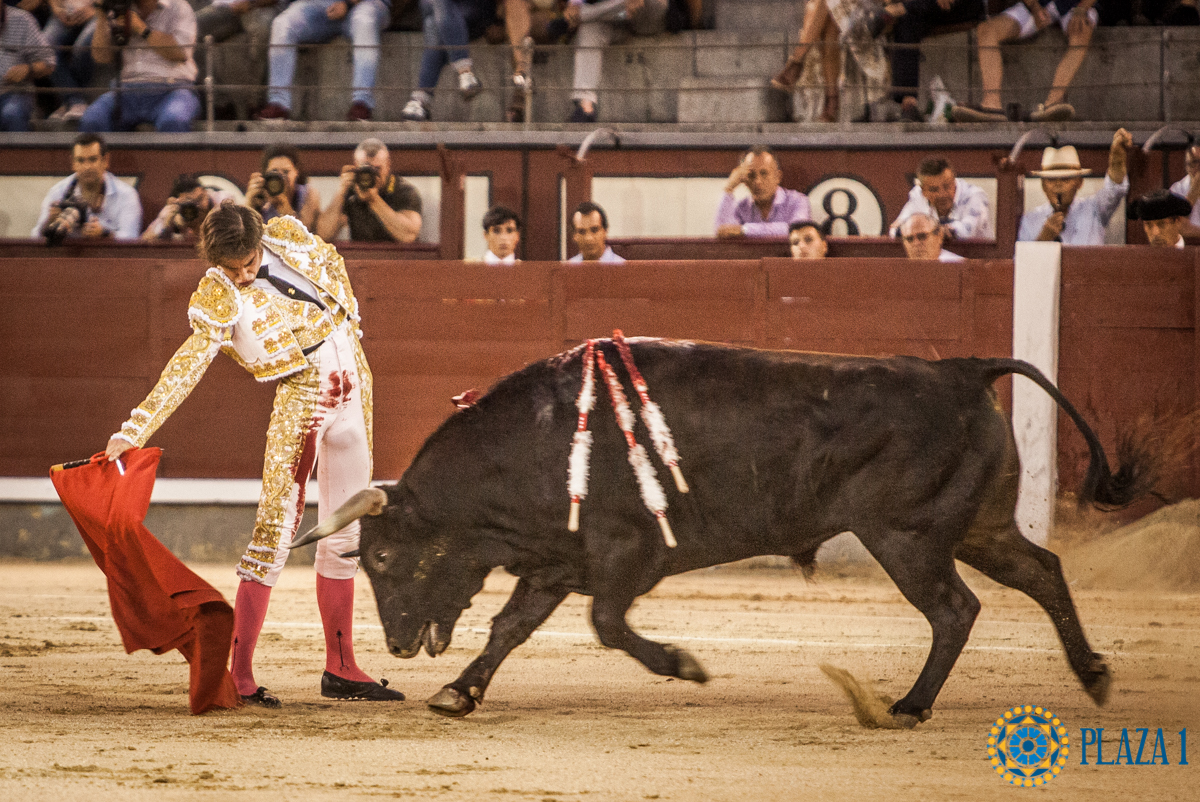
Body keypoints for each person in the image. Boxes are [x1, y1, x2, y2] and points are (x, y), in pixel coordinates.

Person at [103, 202, 404, 707]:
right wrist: (136, 427)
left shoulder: (289, 237)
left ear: (260, 240)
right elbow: (188, 364)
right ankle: (240, 675)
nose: (243, 275)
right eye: (232, 267)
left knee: (347, 530)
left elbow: (335, 270)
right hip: (303, 398)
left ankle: (342, 666)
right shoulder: (216, 295)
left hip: (356, 386)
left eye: (248, 263)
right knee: (272, 533)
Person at [950, 0, 1100, 123]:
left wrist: (1083, 8)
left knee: (1082, 30)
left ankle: (1052, 105)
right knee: (986, 30)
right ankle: (991, 105)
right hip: (1039, 4)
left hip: (1076, 6)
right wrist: (1034, 7)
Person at [254, 0, 391, 121]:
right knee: (283, 24)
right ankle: (278, 104)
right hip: (319, 7)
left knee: (364, 20)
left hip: (365, 4)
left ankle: (362, 103)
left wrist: (347, 4)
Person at [80, 0, 200, 133]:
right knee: (92, 119)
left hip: (173, 89)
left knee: (173, 120)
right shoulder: (118, 8)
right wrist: (101, 15)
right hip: (125, 91)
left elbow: (181, 53)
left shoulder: (178, 7)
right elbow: (101, 57)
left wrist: (141, 28)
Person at [859, 0, 986, 123]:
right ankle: (909, 105)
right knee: (907, 20)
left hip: (964, 5)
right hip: (927, 6)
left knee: (906, 11)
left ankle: (894, 10)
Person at [768, 0, 891, 124]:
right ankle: (831, 102)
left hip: (865, 9)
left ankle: (797, 61)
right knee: (830, 25)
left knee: (827, 9)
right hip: (839, 8)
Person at [1018, 129, 1131, 245]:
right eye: (1051, 179)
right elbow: (1022, 261)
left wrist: (1117, 157)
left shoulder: (1094, 209)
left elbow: (1115, 189)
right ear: (1043, 185)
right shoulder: (1030, 220)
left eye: (1065, 179)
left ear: (1079, 182)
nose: (1058, 185)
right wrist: (1044, 238)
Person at [563, 0, 667, 123]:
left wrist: (578, 14)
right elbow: (574, 7)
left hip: (646, 16)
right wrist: (574, 6)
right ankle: (585, 106)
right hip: (619, 16)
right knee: (590, 27)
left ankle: (581, 16)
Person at [32, 132, 143, 240]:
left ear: (105, 161)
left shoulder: (126, 195)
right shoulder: (58, 192)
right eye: (80, 160)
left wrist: (104, 234)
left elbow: (131, 239)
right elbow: (34, 238)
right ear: (73, 163)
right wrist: (50, 223)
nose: (87, 167)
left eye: (92, 159)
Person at [315, 139, 422, 243]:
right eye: (366, 168)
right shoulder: (351, 190)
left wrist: (374, 200)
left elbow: (408, 236)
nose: (371, 174)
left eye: (377, 169)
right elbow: (323, 235)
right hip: (361, 257)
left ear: (388, 165)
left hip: (398, 258)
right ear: (356, 165)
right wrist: (341, 192)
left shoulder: (404, 191)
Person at [399, 0, 489, 122]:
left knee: (434, 21)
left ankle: (420, 99)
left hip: (476, 9)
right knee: (435, 15)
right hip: (440, 11)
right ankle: (465, 73)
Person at [194, 0, 287, 114]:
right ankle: (221, 103)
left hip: (265, 7)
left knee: (264, 30)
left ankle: (257, 102)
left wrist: (252, 3)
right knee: (190, 29)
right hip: (226, 7)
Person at [715, 147, 812, 238]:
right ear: (744, 181)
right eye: (751, 175)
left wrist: (745, 229)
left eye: (764, 173)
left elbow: (798, 230)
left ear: (777, 177)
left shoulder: (798, 201)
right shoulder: (741, 207)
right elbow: (722, 231)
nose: (757, 181)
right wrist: (728, 188)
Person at [888, 158, 994, 240]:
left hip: (976, 262)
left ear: (954, 182)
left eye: (947, 186)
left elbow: (967, 231)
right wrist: (937, 230)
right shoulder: (918, 195)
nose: (942, 194)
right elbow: (895, 230)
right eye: (934, 190)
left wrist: (923, 230)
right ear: (923, 191)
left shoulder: (974, 195)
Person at [0, 0, 54, 131]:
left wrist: (27, 69)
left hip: (15, 92)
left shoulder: (22, 19)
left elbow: (49, 62)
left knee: (12, 113)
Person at [245, 144, 321, 231]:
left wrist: (283, 205)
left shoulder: (307, 194)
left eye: (285, 172)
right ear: (265, 172)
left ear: (296, 172)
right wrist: (250, 203)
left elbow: (303, 233)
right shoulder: (260, 193)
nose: (280, 177)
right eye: (274, 171)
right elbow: (244, 231)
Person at [42, 0, 95, 121]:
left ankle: (71, 101)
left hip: (99, 13)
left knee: (82, 47)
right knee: (45, 48)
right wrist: (56, 7)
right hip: (65, 10)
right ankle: (75, 101)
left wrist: (97, 10)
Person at [141, 174, 230, 241]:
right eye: (190, 203)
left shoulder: (222, 202)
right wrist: (166, 225)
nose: (197, 206)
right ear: (175, 202)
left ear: (205, 192)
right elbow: (143, 243)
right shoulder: (173, 211)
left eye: (200, 199)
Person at [899, 212, 964, 261]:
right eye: (909, 239)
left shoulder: (960, 267)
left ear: (939, 236)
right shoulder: (899, 273)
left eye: (922, 236)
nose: (916, 243)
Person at [1168, 145, 1200, 238]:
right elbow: (1178, 227)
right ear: (1187, 166)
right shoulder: (1177, 190)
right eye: (1194, 163)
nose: (1198, 168)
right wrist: (1193, 193)